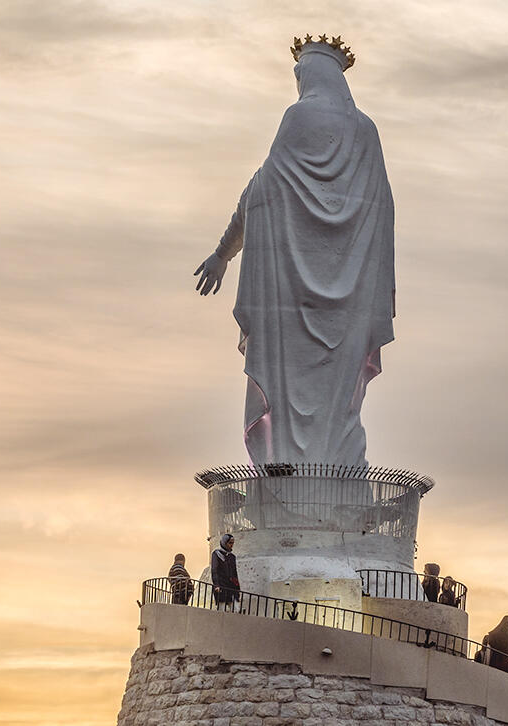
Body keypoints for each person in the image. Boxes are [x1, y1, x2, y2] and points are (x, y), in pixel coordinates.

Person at [192, 35, 395, 466]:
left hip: (291, 298)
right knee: (338, 398)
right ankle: (330, 472)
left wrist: (223, 252)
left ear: (310, 75)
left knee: (306, 391)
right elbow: (380, 208)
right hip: (350, 293)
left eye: (300, 73)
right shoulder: (367, 131)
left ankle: (300, 471)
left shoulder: (300, 116)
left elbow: (263, 188)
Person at [211, 533, 241, 612]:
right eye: (230, 543)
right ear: (225, 542)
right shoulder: (216, 554)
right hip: (222, 585)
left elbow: (234, 573)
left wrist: (237, 587)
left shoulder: (232, 557)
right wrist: (216, 584)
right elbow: (215, 570)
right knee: (222, 608)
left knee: (236, 610)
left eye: (233, 543)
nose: (231, 545)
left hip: (232, 586)